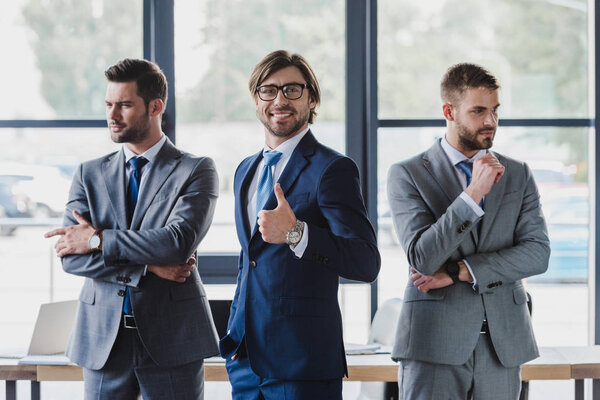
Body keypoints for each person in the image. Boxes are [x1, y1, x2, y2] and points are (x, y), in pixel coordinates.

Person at [44, 58, 219, 400]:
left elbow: (176, 243)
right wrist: (148, 266)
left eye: (124, 105)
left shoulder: (196, 170)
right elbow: (71, 257)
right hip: (102, 341)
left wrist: (96, 239)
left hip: (173, 339)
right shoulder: (88, 174)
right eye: (109, 104)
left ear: (156, 107)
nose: (112, 115)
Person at [219, 50, 381, 399]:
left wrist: (296, 234)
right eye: (269, 90)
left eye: (292, 89)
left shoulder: (332, 169)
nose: (280, 99)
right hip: (246, 362)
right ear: (256, 99)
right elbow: (251, 262)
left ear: (311, 98)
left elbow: (366, 262)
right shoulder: (245, 170)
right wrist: (234, 337)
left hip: (302, 365)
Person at [387, 63, 550, 400]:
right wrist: (473, 194)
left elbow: (538, 253)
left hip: (502, 346)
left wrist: (461, 271)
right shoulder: (408, 173)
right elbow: (422, 256)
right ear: (449, 111)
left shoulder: (518, 173)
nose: (490, 121)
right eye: (478, 111)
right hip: (433, 345)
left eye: (494, 110)